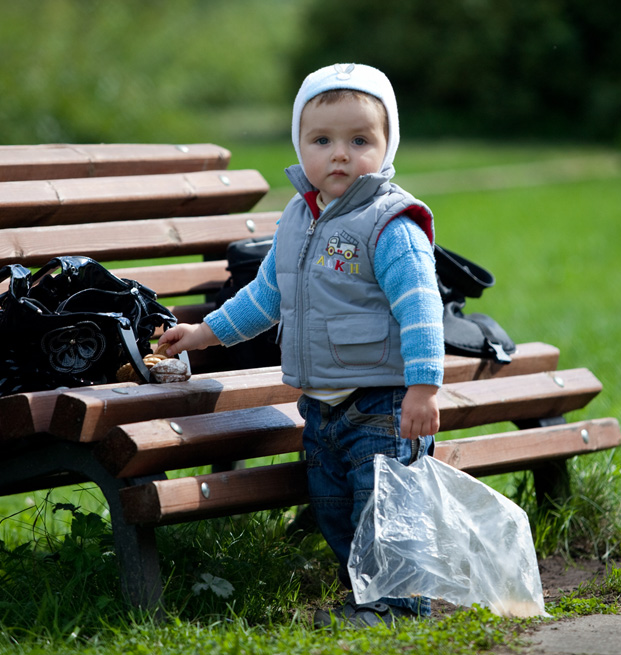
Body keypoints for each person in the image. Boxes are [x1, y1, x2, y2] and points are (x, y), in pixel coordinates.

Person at [158, 63, 444, 628]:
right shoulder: (297, 218)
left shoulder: (389, 223)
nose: (340, 154)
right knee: (335, 508)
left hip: (383, 401)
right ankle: (365, 596)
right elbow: (265, 296)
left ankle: (399, 605)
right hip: (321, 405)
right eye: (323, 140)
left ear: (388, 146)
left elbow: (421, 307)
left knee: (385, 508)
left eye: (360, 140)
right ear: (300, 144)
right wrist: (203, 333)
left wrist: (424, 388)